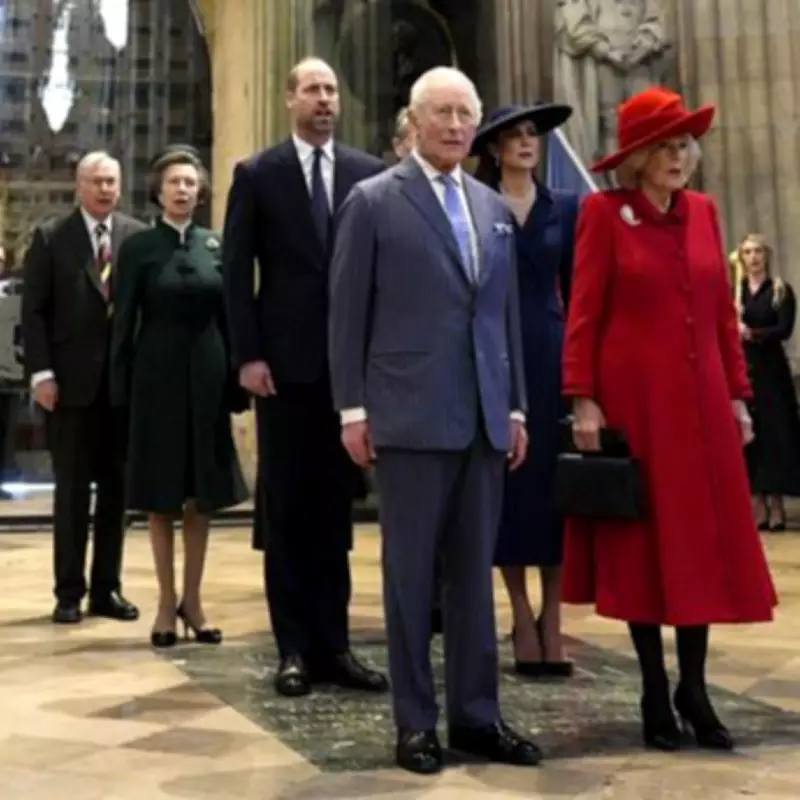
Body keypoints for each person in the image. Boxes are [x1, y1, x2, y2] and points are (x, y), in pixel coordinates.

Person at [329, 65, 541, 775]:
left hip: (484, 416)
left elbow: (501, 315)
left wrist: (514, 405)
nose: (454, 126)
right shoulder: (372, 201)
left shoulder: (490, 207)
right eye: (441, 113)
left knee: (474, 577)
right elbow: (347, 313)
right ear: (414, 122)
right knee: (410, 578)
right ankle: (415, 721)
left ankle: (477, 717)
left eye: (464, 114)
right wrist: (353, 407)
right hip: (408, 415)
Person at [562, 86, 777, 752]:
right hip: (638, 408)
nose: (679, 155)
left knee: (700, 550)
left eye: (684, 144)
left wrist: (739, 395)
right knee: (646, 549)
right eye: (665, 145)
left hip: (705, 406)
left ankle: (696, 686)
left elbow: (720, 317)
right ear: (637, 157)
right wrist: (583, 397)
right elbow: (585, 313)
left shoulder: (706, 213)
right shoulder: (604, 214)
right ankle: (655, 689)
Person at [222, 57, 388, 698]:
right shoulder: (258, 175)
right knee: (289, 511)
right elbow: (238, 273)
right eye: (313, 90)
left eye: (332, 90)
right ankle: (292, 648)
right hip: (283, 371)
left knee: (335, 513)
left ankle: (336, 646)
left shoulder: (367, 174)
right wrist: (248, 355)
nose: (324, 100)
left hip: (349, 371)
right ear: (289, 98)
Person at [110, 146, 248, 648]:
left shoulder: (217, 246)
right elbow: (123, 324)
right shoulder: (139, 249)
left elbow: (232, 319)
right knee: (162, 498)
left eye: (191, 183)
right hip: (156, 381)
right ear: (159, 190)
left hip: (209, 380)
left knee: (201, 498)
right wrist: (119, 389)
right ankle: (166, 603)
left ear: (201, 191)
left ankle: (194, 599)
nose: (184, 190)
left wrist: (237, 384)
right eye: (175, 182)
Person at [472, 102, 577, 677]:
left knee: (553, 487)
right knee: (510, 486)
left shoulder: (567, 207)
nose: (525, 143)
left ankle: (554, 615)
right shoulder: (479, 206)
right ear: (493, 149)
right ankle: (518, 612)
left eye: (532, 135)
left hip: (550, 348)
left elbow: (580, 292)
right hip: (495, 351)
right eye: (513, 136)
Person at [21, 151, 144, 625]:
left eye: (112, 181)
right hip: (69, 388)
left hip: (121, 389)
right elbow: (33, 313)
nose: (105, 189)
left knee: (116, 495)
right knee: (71, 494)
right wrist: (41, 374)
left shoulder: (135, 237)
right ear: (79, 186)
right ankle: (69, 591)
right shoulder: (52, 238)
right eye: (96, 181)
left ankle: (106, 589)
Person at [735, 233, 800, 531]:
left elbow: (784, 329)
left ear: (766, 255)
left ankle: (776, 505)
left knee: (775, 434)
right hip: (744, 372)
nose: (753, 258)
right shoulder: (735, 293)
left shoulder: (779, 289)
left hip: (771, 373)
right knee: (751, 436)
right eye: (747, 252)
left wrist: (752, 333)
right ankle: (757, 502)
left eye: (758, 251)